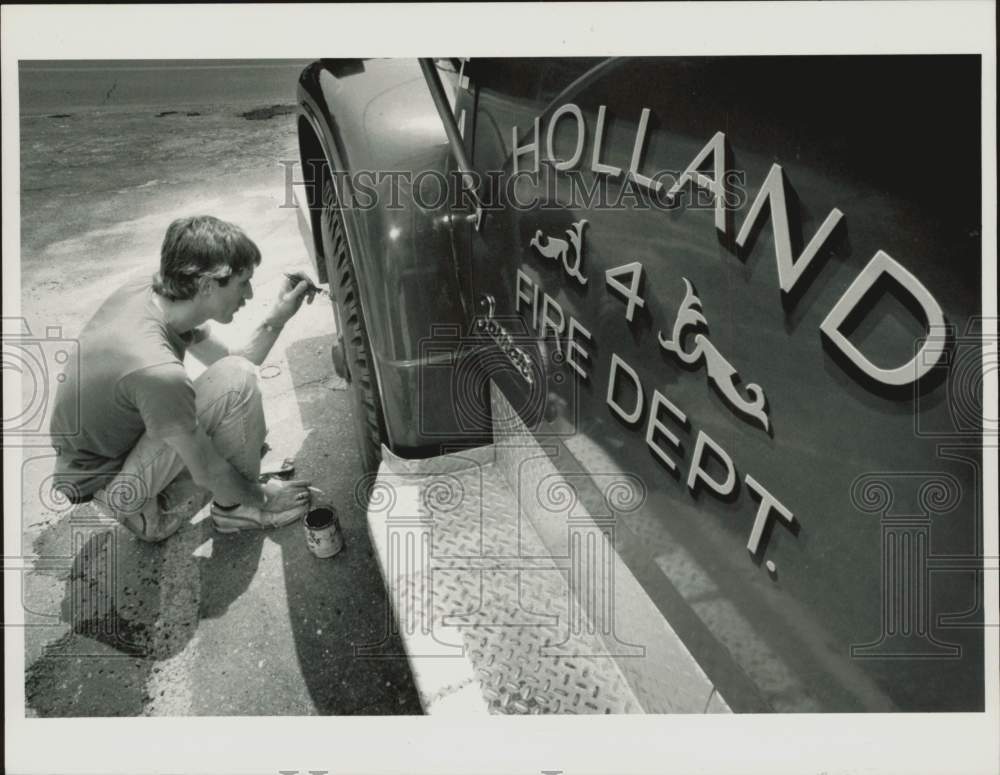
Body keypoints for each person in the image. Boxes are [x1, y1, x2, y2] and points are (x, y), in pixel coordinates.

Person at [49, 215, 317, 541]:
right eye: (242, 282)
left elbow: (232, 360)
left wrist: (277, 318)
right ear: (206, 285)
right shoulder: (156, 371)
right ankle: (236, 511)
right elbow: (208, 469)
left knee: (234, 380)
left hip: (96, 460)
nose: (248, 294)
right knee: (236, 389)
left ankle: (158, 494)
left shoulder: (157, 297)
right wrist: (262, 496)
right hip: (114, 485)